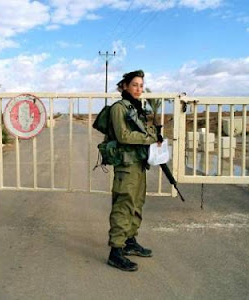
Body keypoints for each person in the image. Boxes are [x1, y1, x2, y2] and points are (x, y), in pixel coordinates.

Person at [107, 70, 162, 272]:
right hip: (126, 166)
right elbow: (123, 136)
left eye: (141, 85)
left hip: (138, 164)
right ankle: (116, 251)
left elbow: (143, 131)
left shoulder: (136, 107)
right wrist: (149, 138)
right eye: (134, 85)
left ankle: (130, 241)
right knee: (124, 204)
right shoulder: (119, 108)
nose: (139, 89)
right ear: (125, 86)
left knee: (137, 203)